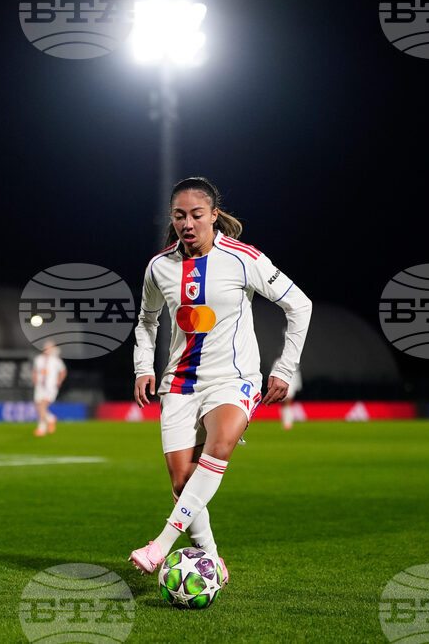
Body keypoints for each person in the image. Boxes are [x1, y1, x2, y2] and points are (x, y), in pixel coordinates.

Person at [129, 177, 312, 584]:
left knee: (222, 441)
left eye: (196, 214)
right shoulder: (159, 267)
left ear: (214, 215)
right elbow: (146, 320)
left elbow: (300, 305)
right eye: (179, 215)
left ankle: (160, 544)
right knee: (182, 482)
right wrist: (144, 366)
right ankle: (212, 559)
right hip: (178, 383)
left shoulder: (244, 258)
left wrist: (283, 368)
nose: (187, 223)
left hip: (234, 379)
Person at [32, 340, 66, 436]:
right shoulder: (38, 359)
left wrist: (59, 381)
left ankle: (42, 428)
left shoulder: (56, 360)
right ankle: (50, 419)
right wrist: (34, 379)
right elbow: (35, 370)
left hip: (50, 387)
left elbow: (63, 371)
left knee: (42, 405)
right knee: (39, 407)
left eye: (49, 347)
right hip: (40, 386)